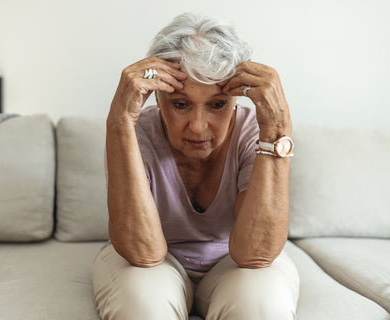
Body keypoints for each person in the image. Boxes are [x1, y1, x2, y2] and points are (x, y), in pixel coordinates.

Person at [93, 12, 300, 320]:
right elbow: (144, 254)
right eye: (180, 104)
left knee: (260, 305)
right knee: (142, 306)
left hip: (233, 259)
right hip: (155, 260)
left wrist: (278, 128)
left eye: (217, 104)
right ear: (158, 98)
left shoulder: (256, 133)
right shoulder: (134, 132)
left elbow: (254, 255)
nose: (199, 127)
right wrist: (119, 123)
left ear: (234, 99)